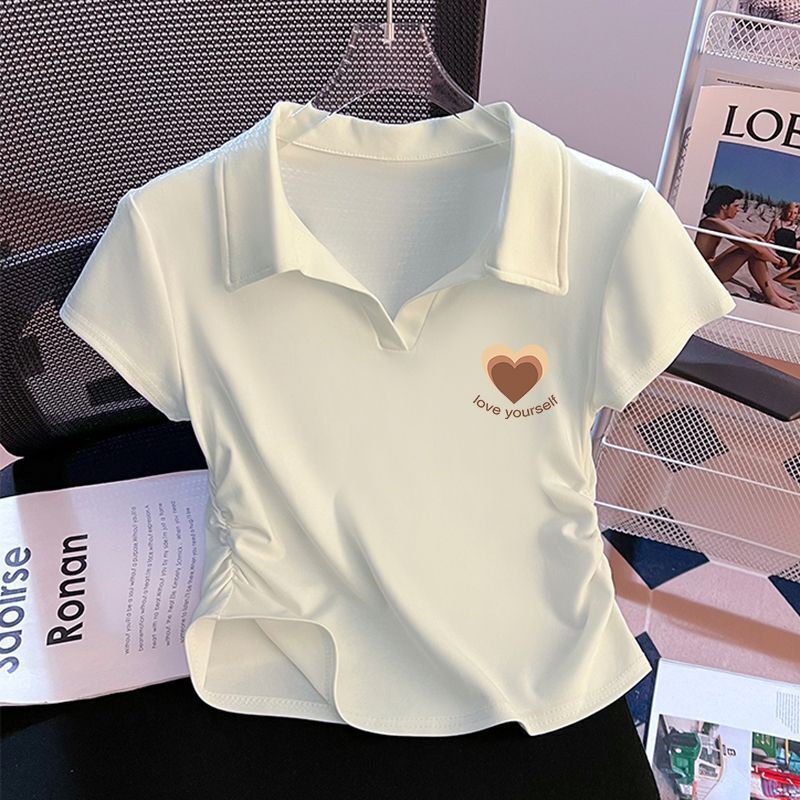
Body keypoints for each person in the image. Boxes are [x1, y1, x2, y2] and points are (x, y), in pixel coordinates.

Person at [694, 185, 797, 311]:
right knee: (749, 249)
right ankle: (771, 296)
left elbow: (752, 236)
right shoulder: (712, 222)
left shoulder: (716, 221)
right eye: (735, 206)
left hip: (710, 267)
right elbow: (746, 243)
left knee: (753, 243)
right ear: (724, 206)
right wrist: (777, 261)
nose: (737, 210)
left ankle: (773, 291)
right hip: (705, 275)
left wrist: (770, 251)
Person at [765, 200, 800, 286]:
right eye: (790, 212)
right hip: (780, 254)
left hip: (793, 255)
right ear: (785, 211)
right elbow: (767, 239)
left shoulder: (796, 227)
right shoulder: (777, 222)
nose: (792, 215)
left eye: (795, 213)